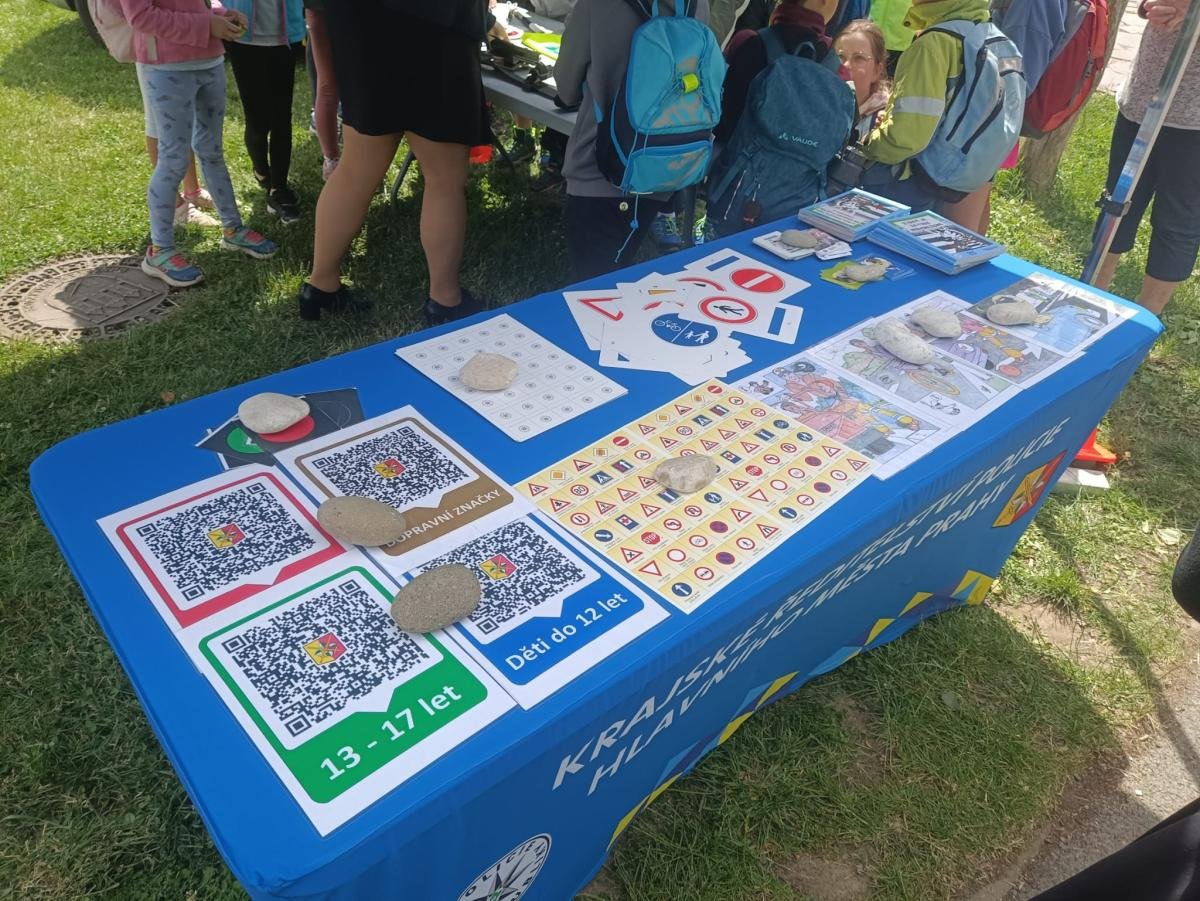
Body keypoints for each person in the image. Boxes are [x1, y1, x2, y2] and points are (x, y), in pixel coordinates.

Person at [299, 1, 491, 324]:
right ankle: (446, 300)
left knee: (355, 171)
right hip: (438, 29)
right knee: (444, 179)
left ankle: (320, 286)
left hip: (361, 22)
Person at [119, 0, 277, 288]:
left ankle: (233, 229)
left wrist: (222, 14)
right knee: (173, 159)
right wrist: (208, 25)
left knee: (212, 150)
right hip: (166, 68)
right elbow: (141, 17)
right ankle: (159, 251)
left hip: (210, 62)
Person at [555, 0, 712, 280]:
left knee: (592, 287)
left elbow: (566, 87)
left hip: (597, 168)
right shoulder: (695, 5)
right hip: (663, 164)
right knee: (616, 269)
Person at [1094, 0, 1199, 316]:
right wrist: (1151, 7)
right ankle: (1090, 296)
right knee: (1117, 202)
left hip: (1194, 124)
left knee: (1177, 219)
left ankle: (1145, 319)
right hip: (1142, 98)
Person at [856, 0, 993, 212]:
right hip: (944, 173)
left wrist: (865, 144)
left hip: (902, 179)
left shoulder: (931, 45)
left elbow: (905, 139)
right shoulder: (986, 34)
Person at [221, 0, 306, 224]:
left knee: (282, 118)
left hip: (284, 38)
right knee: (258, 121)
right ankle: (261, 170)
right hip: (243, 38)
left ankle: (279, 189)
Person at [135, 62, 219, 228]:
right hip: (154, 55)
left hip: (178, 55)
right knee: (158, 121)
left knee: (184, 117)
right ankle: (174, 206)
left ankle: (192, 191)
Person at [834, 18, 889, 141]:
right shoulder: (816, 104)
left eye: (859, 58)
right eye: (840, 56)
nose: (846, 65)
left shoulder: (883, 122)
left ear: (877, 70)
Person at [304, 0, 339, 181]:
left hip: (318, 11)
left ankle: (332, 162)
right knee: (328, 88)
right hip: (326, 12)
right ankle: (333, 162)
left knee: (327, 88)